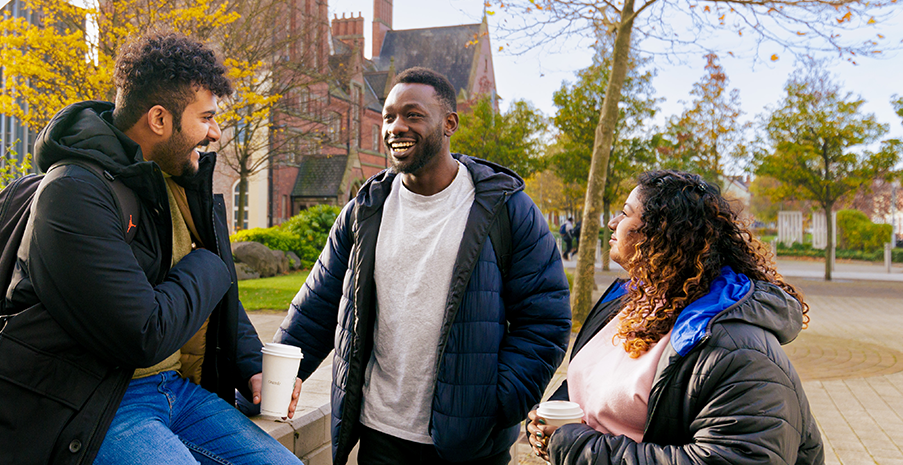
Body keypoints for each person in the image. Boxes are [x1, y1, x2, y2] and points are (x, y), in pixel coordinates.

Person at [0, 32, 300, 465]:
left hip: (177, 389)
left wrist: (249, 363)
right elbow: (143, 333)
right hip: (100, 397)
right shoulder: (73, 192)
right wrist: (213, 264)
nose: (216, 133)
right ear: (159, 119)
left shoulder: (179, 180)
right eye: (207, 118)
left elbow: (215, 300)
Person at [273, 67, 572, 465]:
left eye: (413, 115)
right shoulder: (365, 210)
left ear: (449, 124)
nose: (397, 127)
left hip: (472, 444)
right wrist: (271, 376)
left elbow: (545, 322)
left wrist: (495, 405)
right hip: (381, 436)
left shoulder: (507, 209)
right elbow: (317, 305)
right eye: (389, 116)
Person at [526, 170, 823, 464]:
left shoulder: (740, 350)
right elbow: (590, 386)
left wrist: (573, 446)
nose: (611, 222)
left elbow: (736, 458)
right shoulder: (630, 303)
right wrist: (549, 423)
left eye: (625, 213)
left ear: (662, 235)